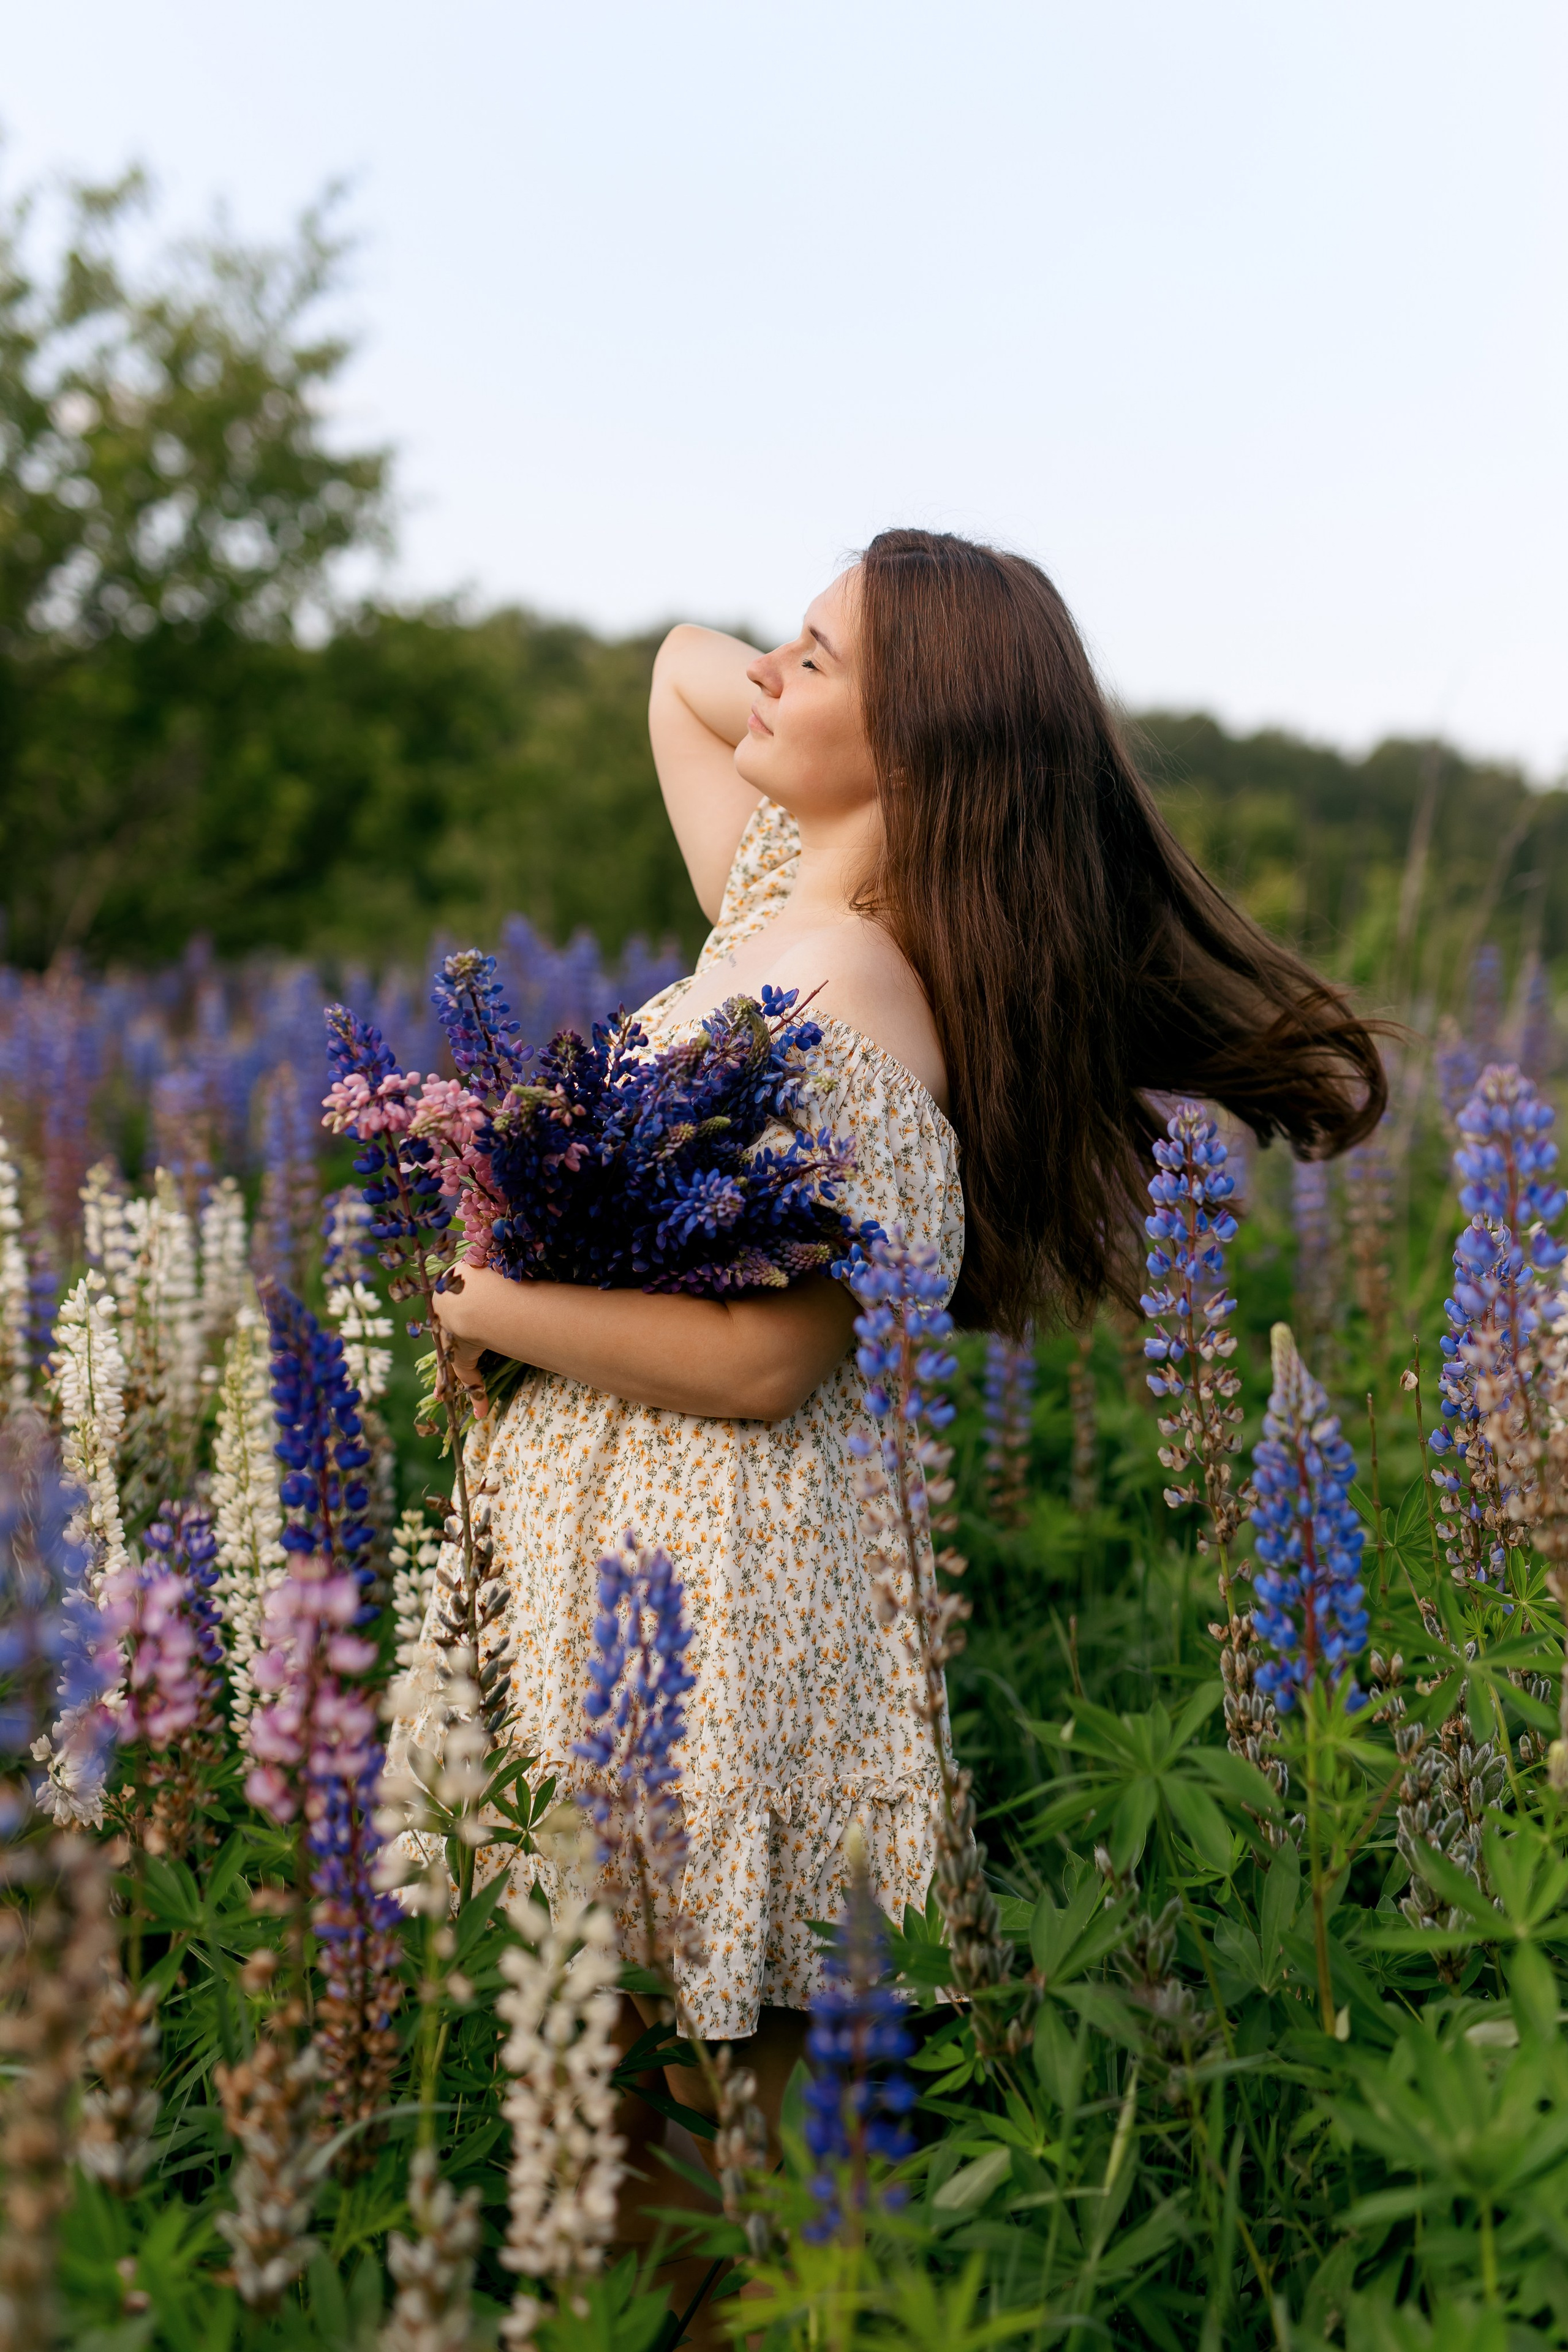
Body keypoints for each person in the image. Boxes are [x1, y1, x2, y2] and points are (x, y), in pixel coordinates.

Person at [426, 527, 1385, 2324]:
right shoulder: (776, 908)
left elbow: (774, 1360)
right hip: (635, 1567)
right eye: (792, 646)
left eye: (818, 659)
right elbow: (676, 671)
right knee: (633, 2127)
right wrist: (851, 652)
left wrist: (488, 1307)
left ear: (926, 743)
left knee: (703, 2180)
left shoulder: (859, 987)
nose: (765, 677)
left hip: (723, 1599)